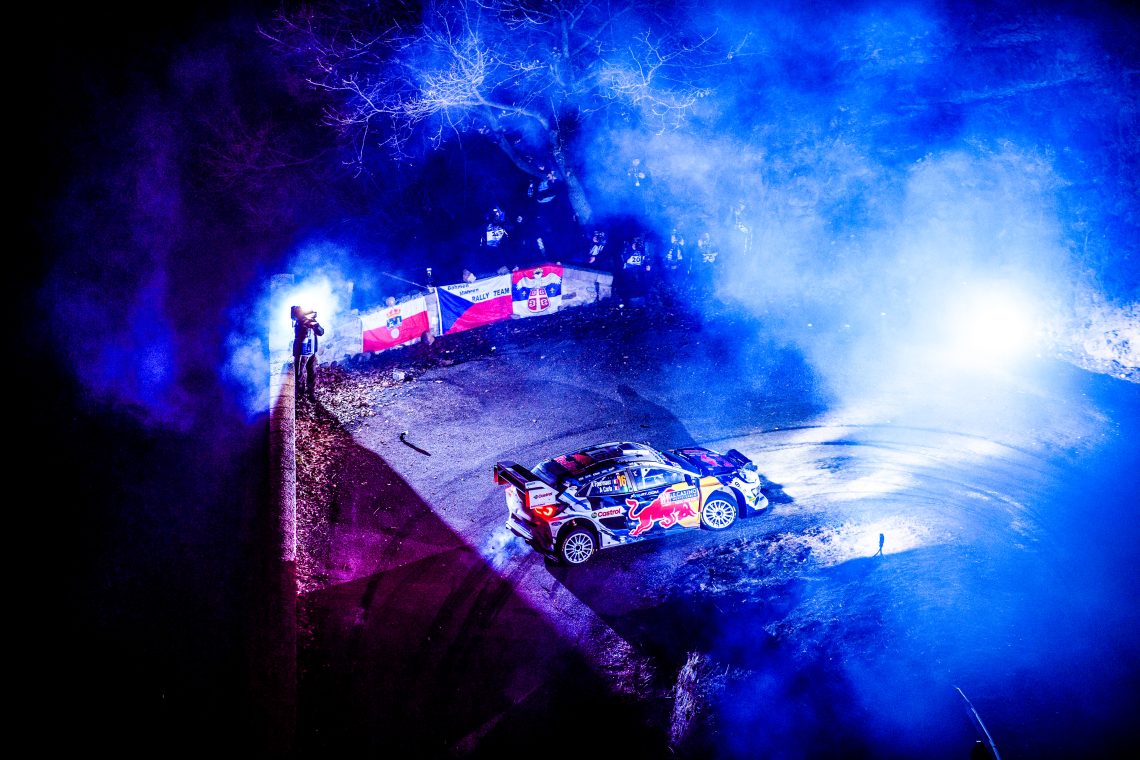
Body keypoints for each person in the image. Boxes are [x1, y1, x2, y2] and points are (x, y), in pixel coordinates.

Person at [291, 305, 325, 401]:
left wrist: (315, 325)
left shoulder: (311, 321)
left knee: (312, 373)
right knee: (299, 374)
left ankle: (311, 393)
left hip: (312, 351)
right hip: (301, 352)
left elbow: (321, 332)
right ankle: (300, 393)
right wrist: (305, 321)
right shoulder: (299, 321)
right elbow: (299, 332)